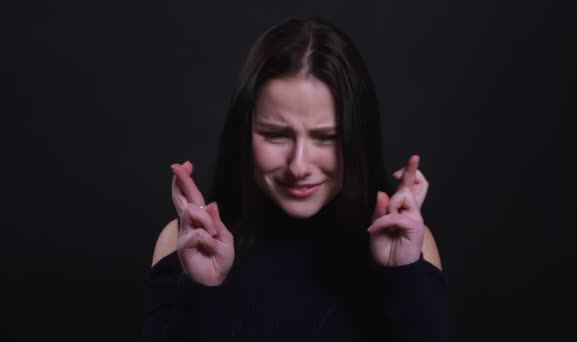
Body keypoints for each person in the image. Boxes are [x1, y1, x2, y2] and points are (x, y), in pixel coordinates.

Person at [142, 16, 450, 342]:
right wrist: (203, 291)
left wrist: (402, 276)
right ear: (243, 134)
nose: (299, 165)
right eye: (275, 135)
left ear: (357, 137)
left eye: (326, 137)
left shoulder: (410, 245)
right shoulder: (182, 243)